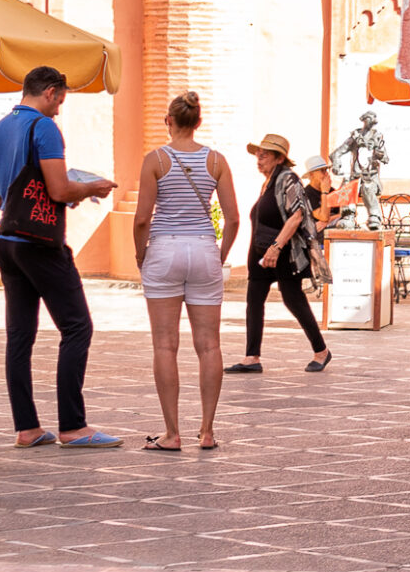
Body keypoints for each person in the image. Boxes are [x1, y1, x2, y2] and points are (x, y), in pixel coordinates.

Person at [0, 65, 118, 449]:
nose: (60, 108)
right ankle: (73, 426)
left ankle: (26, 428)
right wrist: (91, 187)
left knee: (19, 336)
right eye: (61, 100)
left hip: (7, 240)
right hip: (40, 243)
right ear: (52, 92)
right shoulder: (43, 128)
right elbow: (58, 190)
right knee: (77, 327)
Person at [131, 90, 240, 451]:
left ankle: (172, 433)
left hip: (164, 247)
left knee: (165, 345)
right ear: (198, 122)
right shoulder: (217, 161)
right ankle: (207, 431)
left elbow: (143, 218)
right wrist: (220, 254)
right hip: (204, 249)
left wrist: (140, 254)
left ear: (169, 120)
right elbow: (233, 217)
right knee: (209, 345)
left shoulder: (156, 160)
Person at [226, 133, 333, 375]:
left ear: (279, 158)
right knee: (254, 301)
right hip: (261, 256)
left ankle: (322, 352)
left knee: (293, 299)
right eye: (258, 153)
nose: (258, 157)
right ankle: (252, 357)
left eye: (264, 153)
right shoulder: (268, 182)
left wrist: (276, 247)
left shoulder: (288, 179)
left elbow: (296, 215)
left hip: (283, 253)